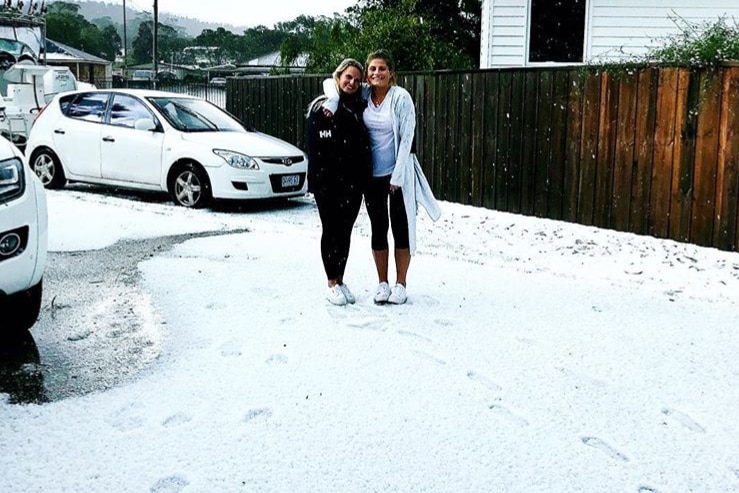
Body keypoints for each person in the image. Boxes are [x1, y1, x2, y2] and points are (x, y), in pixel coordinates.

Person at [322, 49, 441, 305]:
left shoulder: (400, 98)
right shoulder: (363, 92)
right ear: (367, 73)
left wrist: (397, 177)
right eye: (372, 69)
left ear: (391, 73)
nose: (377, 73)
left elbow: (407, 138)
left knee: (401, 228)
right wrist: (332, 103)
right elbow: (331, 85)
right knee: (378, 229)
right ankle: (382, 284)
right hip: (370, 176)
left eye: (382, 69)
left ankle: (401, 283)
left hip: (397, 175)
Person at [306, 58, 372, 306]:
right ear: (338, 77)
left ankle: (341, 279)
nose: (352, 82)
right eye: (348, 77)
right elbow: (319, 149)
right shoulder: (323, 107)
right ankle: (331, 281)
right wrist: (324, 181)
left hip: (353, 184)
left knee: (345, 233)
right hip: (328, 184)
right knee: (331, 231)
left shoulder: (359, 106)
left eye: (357, 79)